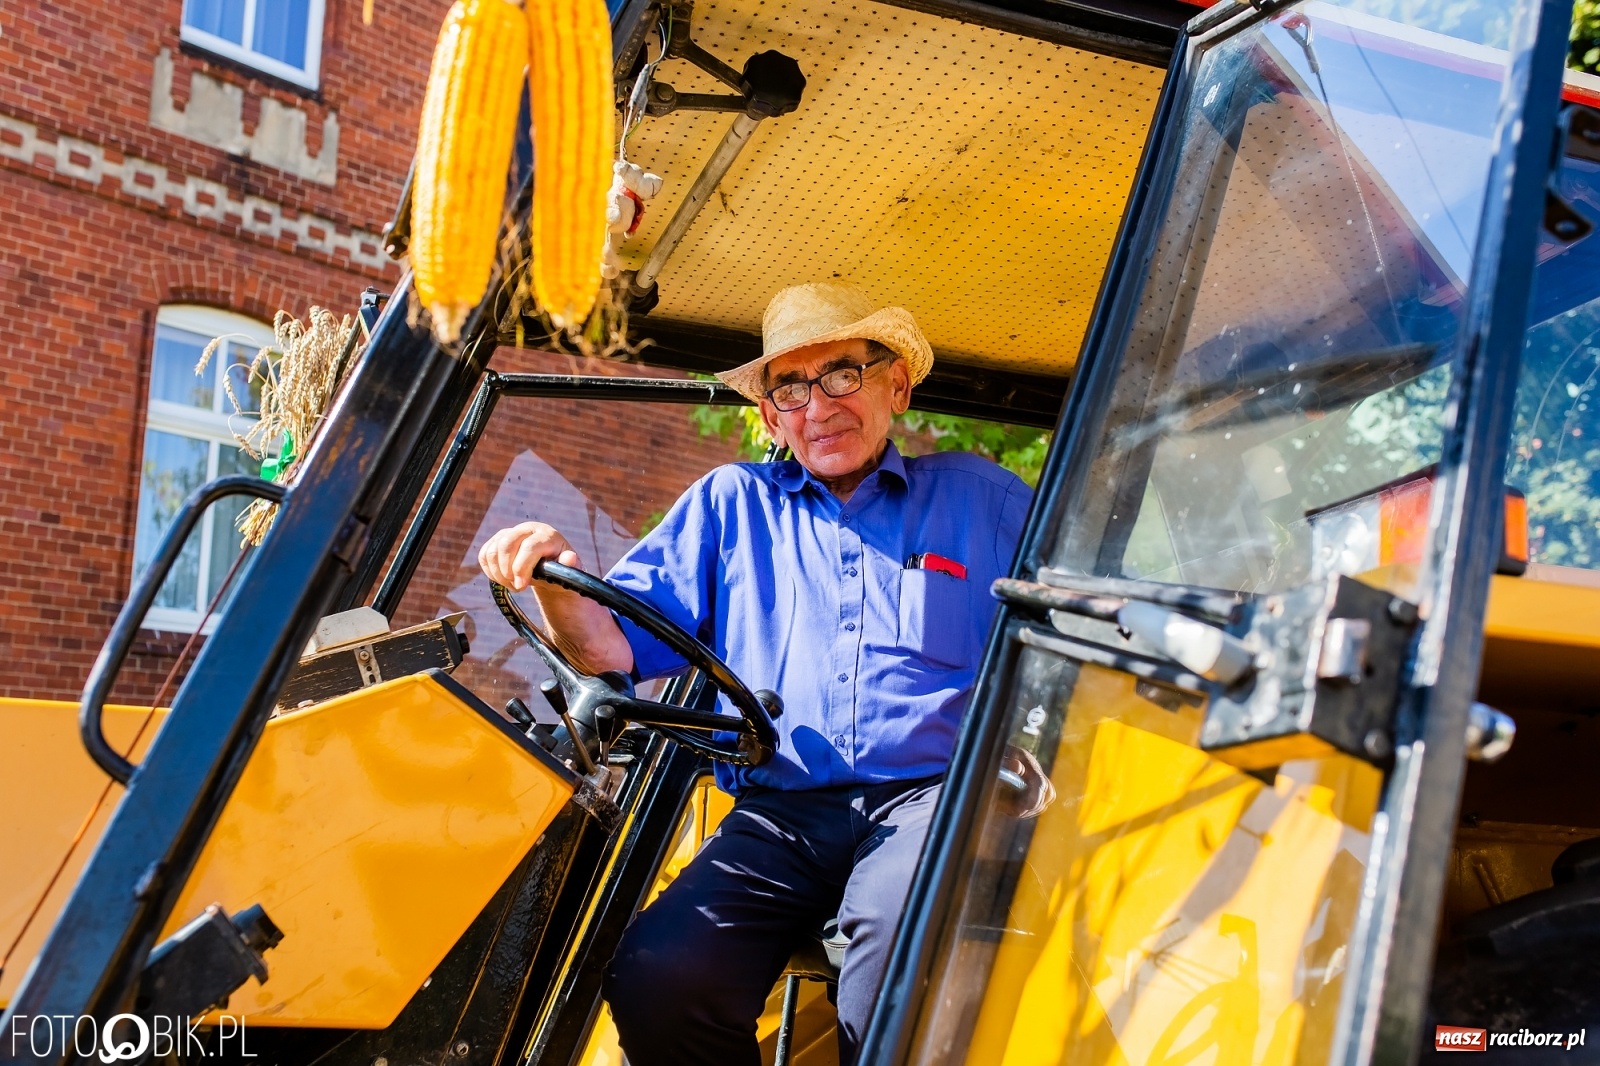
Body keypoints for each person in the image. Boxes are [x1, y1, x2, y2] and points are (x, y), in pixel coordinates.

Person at [477, 281, 1030, 1065]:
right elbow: (610, 650)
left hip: (930, 804)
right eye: (790, 389)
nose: (818, 406)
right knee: (658, 974)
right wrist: (552, 576)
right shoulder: (730, 506)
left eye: (842, 374)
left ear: (895, 384)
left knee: (897, 955)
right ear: (768, 414)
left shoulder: (986, 501)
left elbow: (1066, 630)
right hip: (782, 816)